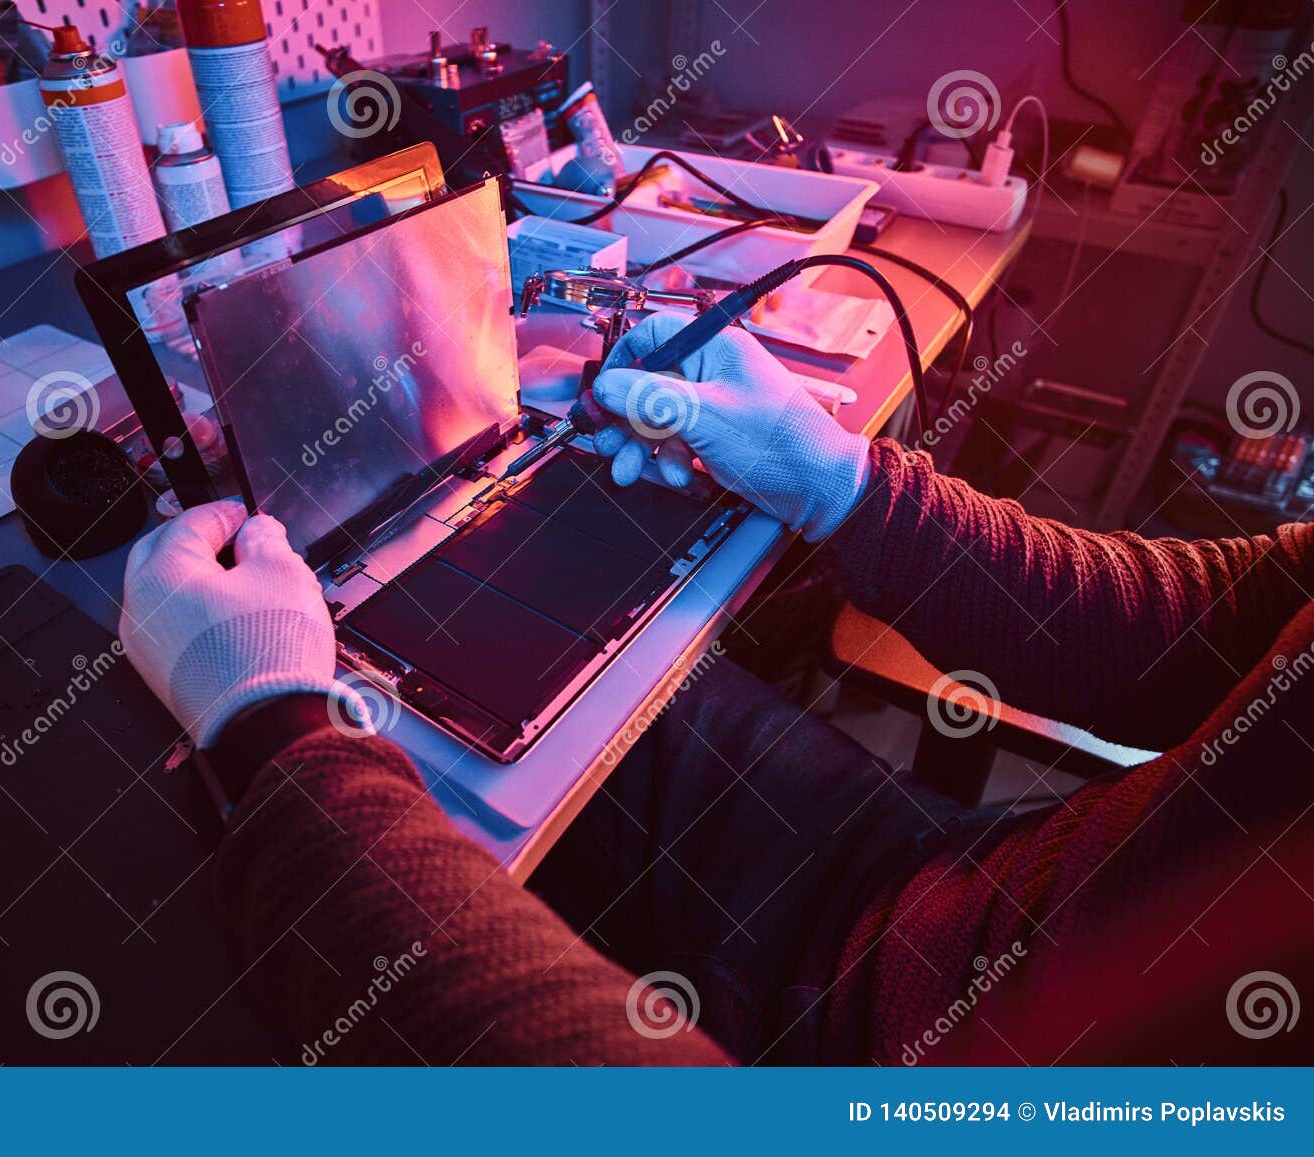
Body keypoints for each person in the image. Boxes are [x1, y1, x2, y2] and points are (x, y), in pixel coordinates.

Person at [119, 314, 1314, 1066]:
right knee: (554, 695)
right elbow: (1211, 627)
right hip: (952, 887)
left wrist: (274, 733)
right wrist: (836, 481)